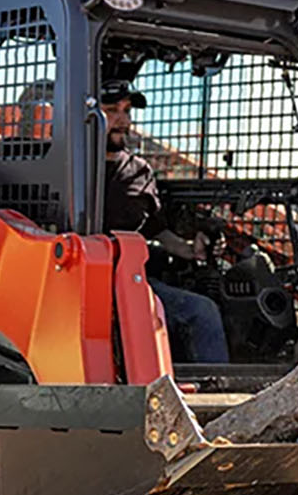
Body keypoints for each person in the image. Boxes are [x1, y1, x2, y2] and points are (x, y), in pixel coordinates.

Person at [99, 80, 231, 363]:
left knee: (201, 311)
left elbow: (155, 230)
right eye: (111, 110)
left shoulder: (137, 171)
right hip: (72, 281)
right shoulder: (63, 164)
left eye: (127, 110)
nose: (123, 120)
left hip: (127, 280)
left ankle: (215, 393)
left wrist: (189, 248)